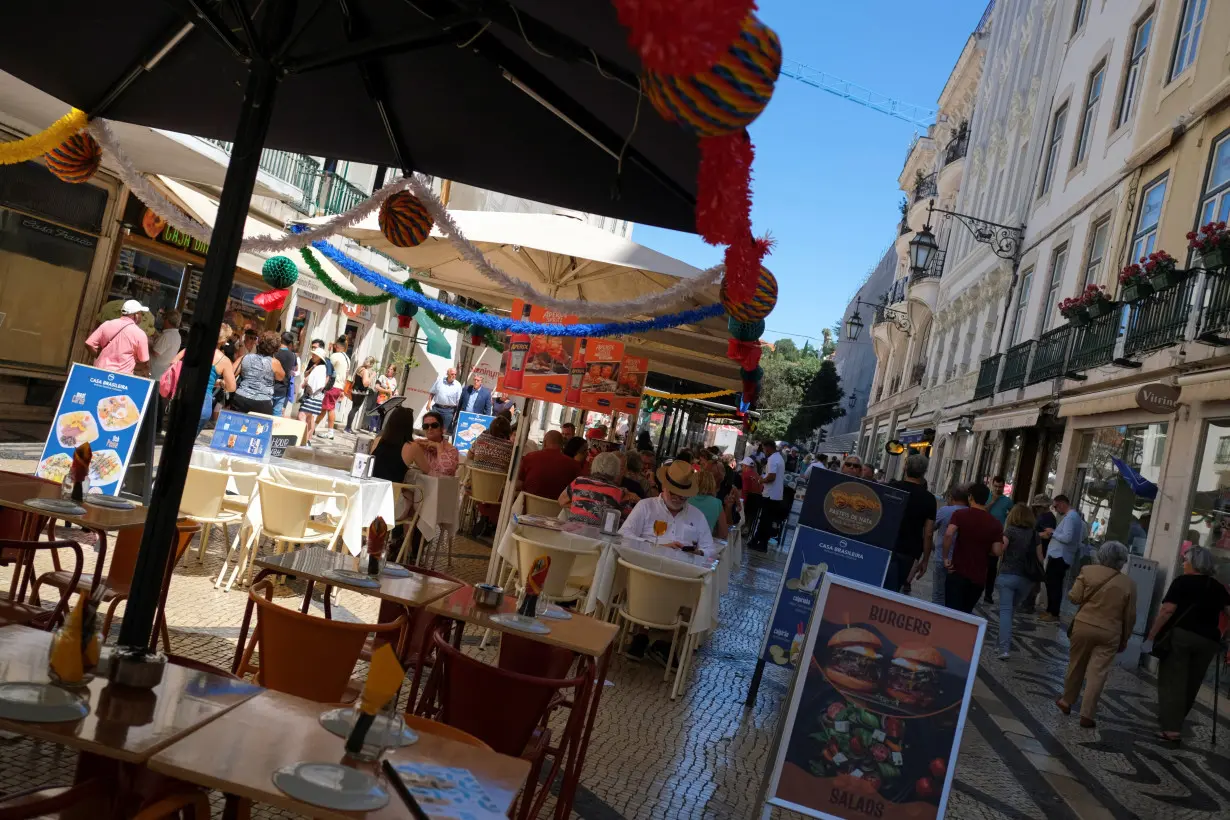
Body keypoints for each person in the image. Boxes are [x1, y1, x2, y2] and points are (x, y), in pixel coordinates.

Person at [1147, 545, 1230, 743]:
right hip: (1208, 640)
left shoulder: (1182, 582)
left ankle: (1171, 728)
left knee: (1173, 681)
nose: (1183, 563)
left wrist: (1152, 635)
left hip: (1182, 637)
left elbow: (1167, 610)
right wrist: (1225, 636)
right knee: (1192, 683)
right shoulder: (1217, 587)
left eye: (1186, 560)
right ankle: (1173, 721)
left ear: (1193, 563)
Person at [1058, 541, 1136, 729]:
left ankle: (1067, 700)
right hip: (1110, 632)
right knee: (1098, 673)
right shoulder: (1129, 584)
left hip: (1084, 625)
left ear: (1101, 555)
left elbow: (1075, 597)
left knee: (1076, 663)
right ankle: (1087, 714)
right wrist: (1125, 638)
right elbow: (1130, 616)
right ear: (1122, 561)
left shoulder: (1087, 570)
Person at [942, 482, 1005, 613]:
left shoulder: (960, 514)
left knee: (950, 612)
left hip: (957, 571)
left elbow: (949, 534)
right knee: (966, 613)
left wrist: (945, 557)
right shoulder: (996, 524)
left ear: (970, 497)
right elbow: (997, 551)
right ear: (987, 498)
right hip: (978, 577)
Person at [994, 503, 1045, 660]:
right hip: (1026, 581)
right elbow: (1040, 558)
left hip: (1008, 576)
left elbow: (1001, 550)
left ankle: (1004, 649)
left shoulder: (1010, 531)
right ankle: (1000, 643)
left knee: (1005, 611)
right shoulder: (1035, 535)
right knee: (1011, 610)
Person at [885, 454, 936, 593]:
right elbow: (929, 533)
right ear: (924, 472)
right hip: (909, 550)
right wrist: (925, 560)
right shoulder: (929, 499)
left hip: (886, 543)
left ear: (905, 467)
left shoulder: (892, 488)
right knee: (894, 589)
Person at [182, 324, 237, 436]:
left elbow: (174, 363)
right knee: (187, 440)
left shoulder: (194, 348)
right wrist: (219, 383)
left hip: (185, 394)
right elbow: (232, 387)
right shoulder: (224, 360)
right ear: (223, 341)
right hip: (203, 401)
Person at [1041, 495, 1085, 622]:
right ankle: (1051, 610)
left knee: (1054, 585)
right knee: (1053, 584)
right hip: (1059, 555)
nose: (1055, 509)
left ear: (1062, 504)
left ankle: (1053, 612)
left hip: (1060, 556)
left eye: (1056, 506)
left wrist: (1052, 532)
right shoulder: (1072, 517)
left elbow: (1067, 538)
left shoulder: (1071, 518)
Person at [467, 415, 513, 537]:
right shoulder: (510, 447)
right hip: (496, 493)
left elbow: (469, 456)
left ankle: (484, 517)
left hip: (474, 488)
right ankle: (492, 520)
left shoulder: (481, 438)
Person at [560, 452, 630, 526]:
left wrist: (582, 506)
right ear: (616, 470)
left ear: (593, 465)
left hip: (571, 531)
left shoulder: (579, 481)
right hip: (598, 535)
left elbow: (561, 501)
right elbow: (628, 516)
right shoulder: (619, 492)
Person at [85, 299, 151, 376]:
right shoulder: (140, 334)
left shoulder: (107, 324)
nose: (141, 317)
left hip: (100, 371)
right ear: (136, 315)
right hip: (122, 377)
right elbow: (144, 361)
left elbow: (89, 344)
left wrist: (99, 356)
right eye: (141, 314)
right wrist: (128, 365)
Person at [228, 330, 284, 415]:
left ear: (259, 343)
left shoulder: (245, 357)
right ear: (276, 348)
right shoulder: (275, 363)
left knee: (236, 426)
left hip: (241, 398)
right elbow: (281, 377)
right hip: (263, 402)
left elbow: (230, 374)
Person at [516, 430, 582, 500]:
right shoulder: (574, 465)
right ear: (562, 445)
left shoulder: (530, 457)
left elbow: (519, 483)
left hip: (528, 506)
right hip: (557, 509)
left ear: (544, 443)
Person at [931, 486, 969, 606]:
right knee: (954, 595)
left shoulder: (945, 511)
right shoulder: (970, 513)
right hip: (961, 561)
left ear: (951, 498)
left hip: (942, 557)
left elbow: (930, 528)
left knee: (938, 594)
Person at [750, 440, 786, 552]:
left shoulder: (772, 459)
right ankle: (757, 541)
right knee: (767, 520)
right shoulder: (779, 458)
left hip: (770, 495)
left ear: (769, 448)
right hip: (776, 495)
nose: (764, 452)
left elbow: (771, 476)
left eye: (765, 449)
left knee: (765, 520)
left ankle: (761, 543)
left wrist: (761, 480)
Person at [983, 476, 1013, 604]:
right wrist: (993, 501)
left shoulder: (1007, 501)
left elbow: (1013, 515)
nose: (997, 489)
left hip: (996, 537)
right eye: (995, 486)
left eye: (1000, 487)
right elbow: (983, 512)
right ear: (991, 485)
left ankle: (988, 594)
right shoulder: (987, 497)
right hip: (983, 535)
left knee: (992, 566)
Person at [316, 336, 350, 440]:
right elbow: (346, 374)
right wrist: (343, 390)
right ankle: (313, 426)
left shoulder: (335, 356)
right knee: (324, 408)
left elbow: (328, 367)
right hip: (339, 387)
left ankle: (330, 432)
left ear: (336, 346)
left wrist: (329, 353)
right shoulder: (347, 358)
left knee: (330, 408)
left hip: (332, 386)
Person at [407, 410, 460, 477]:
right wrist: (412, 446)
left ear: (442, 429)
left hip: (441, 486)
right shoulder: (420, 445)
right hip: (419, 484)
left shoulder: (452, 449)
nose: (429, 428)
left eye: (434, 425)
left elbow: (447, 471)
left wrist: (439, 447)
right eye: (426, 426)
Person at [1029, 494, 1056, 611]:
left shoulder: (1048, 518)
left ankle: (1030, 603)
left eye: (1038, 506)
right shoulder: (1044, 516)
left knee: (1034, 577)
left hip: (1039, 550)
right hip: (1037, 549)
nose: (1036, 509)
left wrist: (1032, 535)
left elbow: (1047, 535)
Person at [297, 345, 330, 442]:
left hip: (312, 396)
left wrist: (305, 382)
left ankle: (303, 439)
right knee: (308, 418)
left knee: (302, 416)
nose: (313, 356)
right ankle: (306, 440)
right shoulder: (321, 367)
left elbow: (309, 380)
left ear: (320, 357)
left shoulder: (320, 367)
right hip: (316, 396)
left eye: (315, 355)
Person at [688, 470, 729, 539]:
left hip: (683, 541)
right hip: (705, 543)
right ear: (712, 484)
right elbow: (723, 534)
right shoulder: (717, 503)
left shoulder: (685, 499)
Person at [345, 356, 377, 433]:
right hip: (360, 393)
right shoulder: (365, 371)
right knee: (355, 409)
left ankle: (348, 427)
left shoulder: (360, 368)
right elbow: (365, 383)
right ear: (371, 364)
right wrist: (372, 376)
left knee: (353, 408)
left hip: (355, 391)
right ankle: (347, 428)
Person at [427, 367, 462, 436]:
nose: (454, 376)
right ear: (447, 374)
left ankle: (439, 444)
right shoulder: (439, 381)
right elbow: (432, 393)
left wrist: (456, 413)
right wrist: (429, 403)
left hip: (449, 410)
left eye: (455, 374)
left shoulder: (458, 385)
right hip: (436, 408)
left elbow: (459, 401)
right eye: (452, 374)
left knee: (443, 431)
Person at [271, 331, 298, 418]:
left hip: (270, 387)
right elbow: (295, 368)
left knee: (265, 415)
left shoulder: (274, 352)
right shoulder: (293, 356)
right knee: (276, 415)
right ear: (290, 342)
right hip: (283, 389)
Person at [149, 309, 182, 379]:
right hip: (162, 373)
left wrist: (148, 343)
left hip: (154, 373)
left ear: (167, 320)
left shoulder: (167, 335)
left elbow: (156, 352)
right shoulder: (177, 335)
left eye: (164, 319)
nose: (163, 321)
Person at [739, 455, 764, 538]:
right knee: (751, 517)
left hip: (749, 497)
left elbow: (745, 489)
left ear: (746, 466)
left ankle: (742, 530)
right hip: (758, 498)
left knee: (744, 515)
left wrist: (742, 502)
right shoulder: (758, 475)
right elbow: (762, 488)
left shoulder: (745, 474)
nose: (741, 467)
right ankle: (747, 530)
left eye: (742, 466)